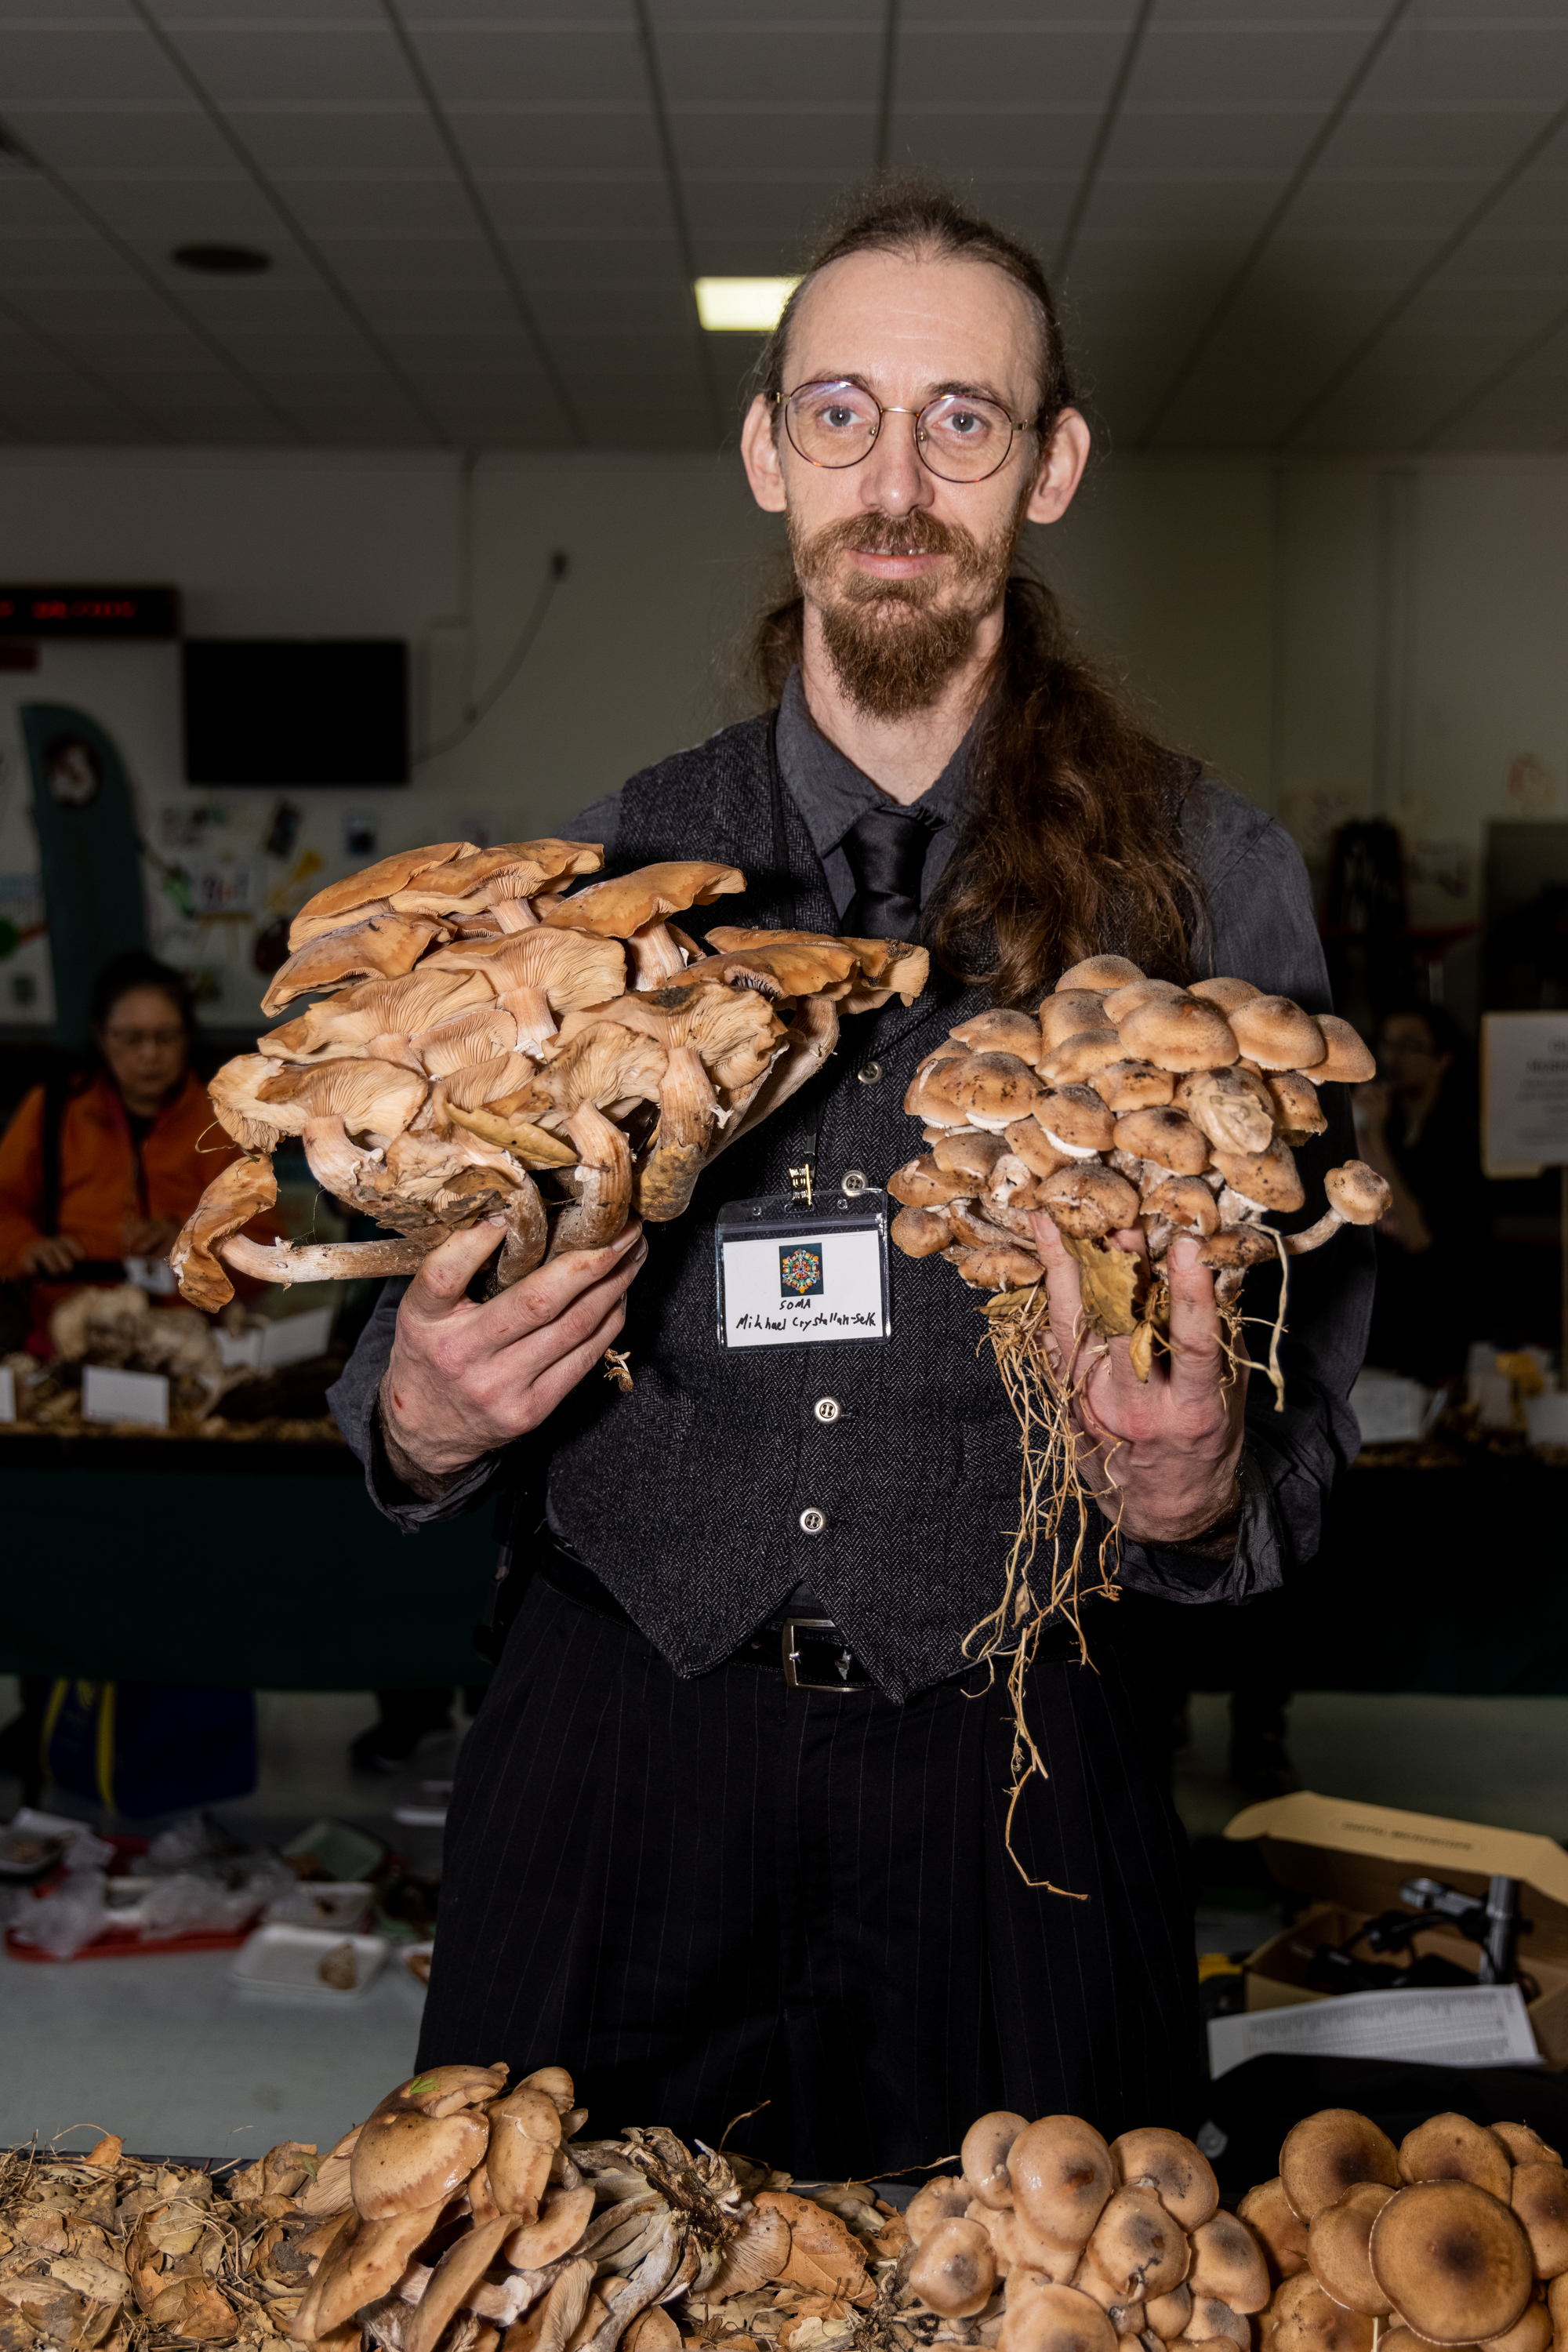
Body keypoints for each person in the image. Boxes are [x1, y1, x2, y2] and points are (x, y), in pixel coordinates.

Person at [329, 181, 1371, 2173]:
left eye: (959, 420)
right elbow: (411, 1308)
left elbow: (1297, 1415)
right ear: (764, 449)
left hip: (1013, 1759)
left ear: (1047, 464)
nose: (893, 479)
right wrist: (417, 1403)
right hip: (614, 1735)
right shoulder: (598, 871)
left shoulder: (1211, 884)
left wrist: (1196, 1479)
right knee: (542, 2280)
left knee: (1066, 2286)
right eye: (838, 414)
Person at [0, 949, 234, 1338]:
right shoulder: (52, 1108)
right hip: (63, 1334)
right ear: (100, 1037)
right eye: (129, 1038)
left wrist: (189, 1237)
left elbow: (263, 1244)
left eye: (165, 1037)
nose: (149, 1055)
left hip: (187, 1339)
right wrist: (26, 1248)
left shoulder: (219, 1122)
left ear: (187, 1037)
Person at [1356, 1004, 1485, 1383]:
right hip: (1383, 1329)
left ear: (1442, 1060)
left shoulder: (1459, 1141)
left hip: (1437, 1327)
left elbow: (1418, 1236)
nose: (1393, 1057)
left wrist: (1375, 1138)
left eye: (1410, 1046)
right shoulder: (1387, 1127)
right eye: (1388, 1044)